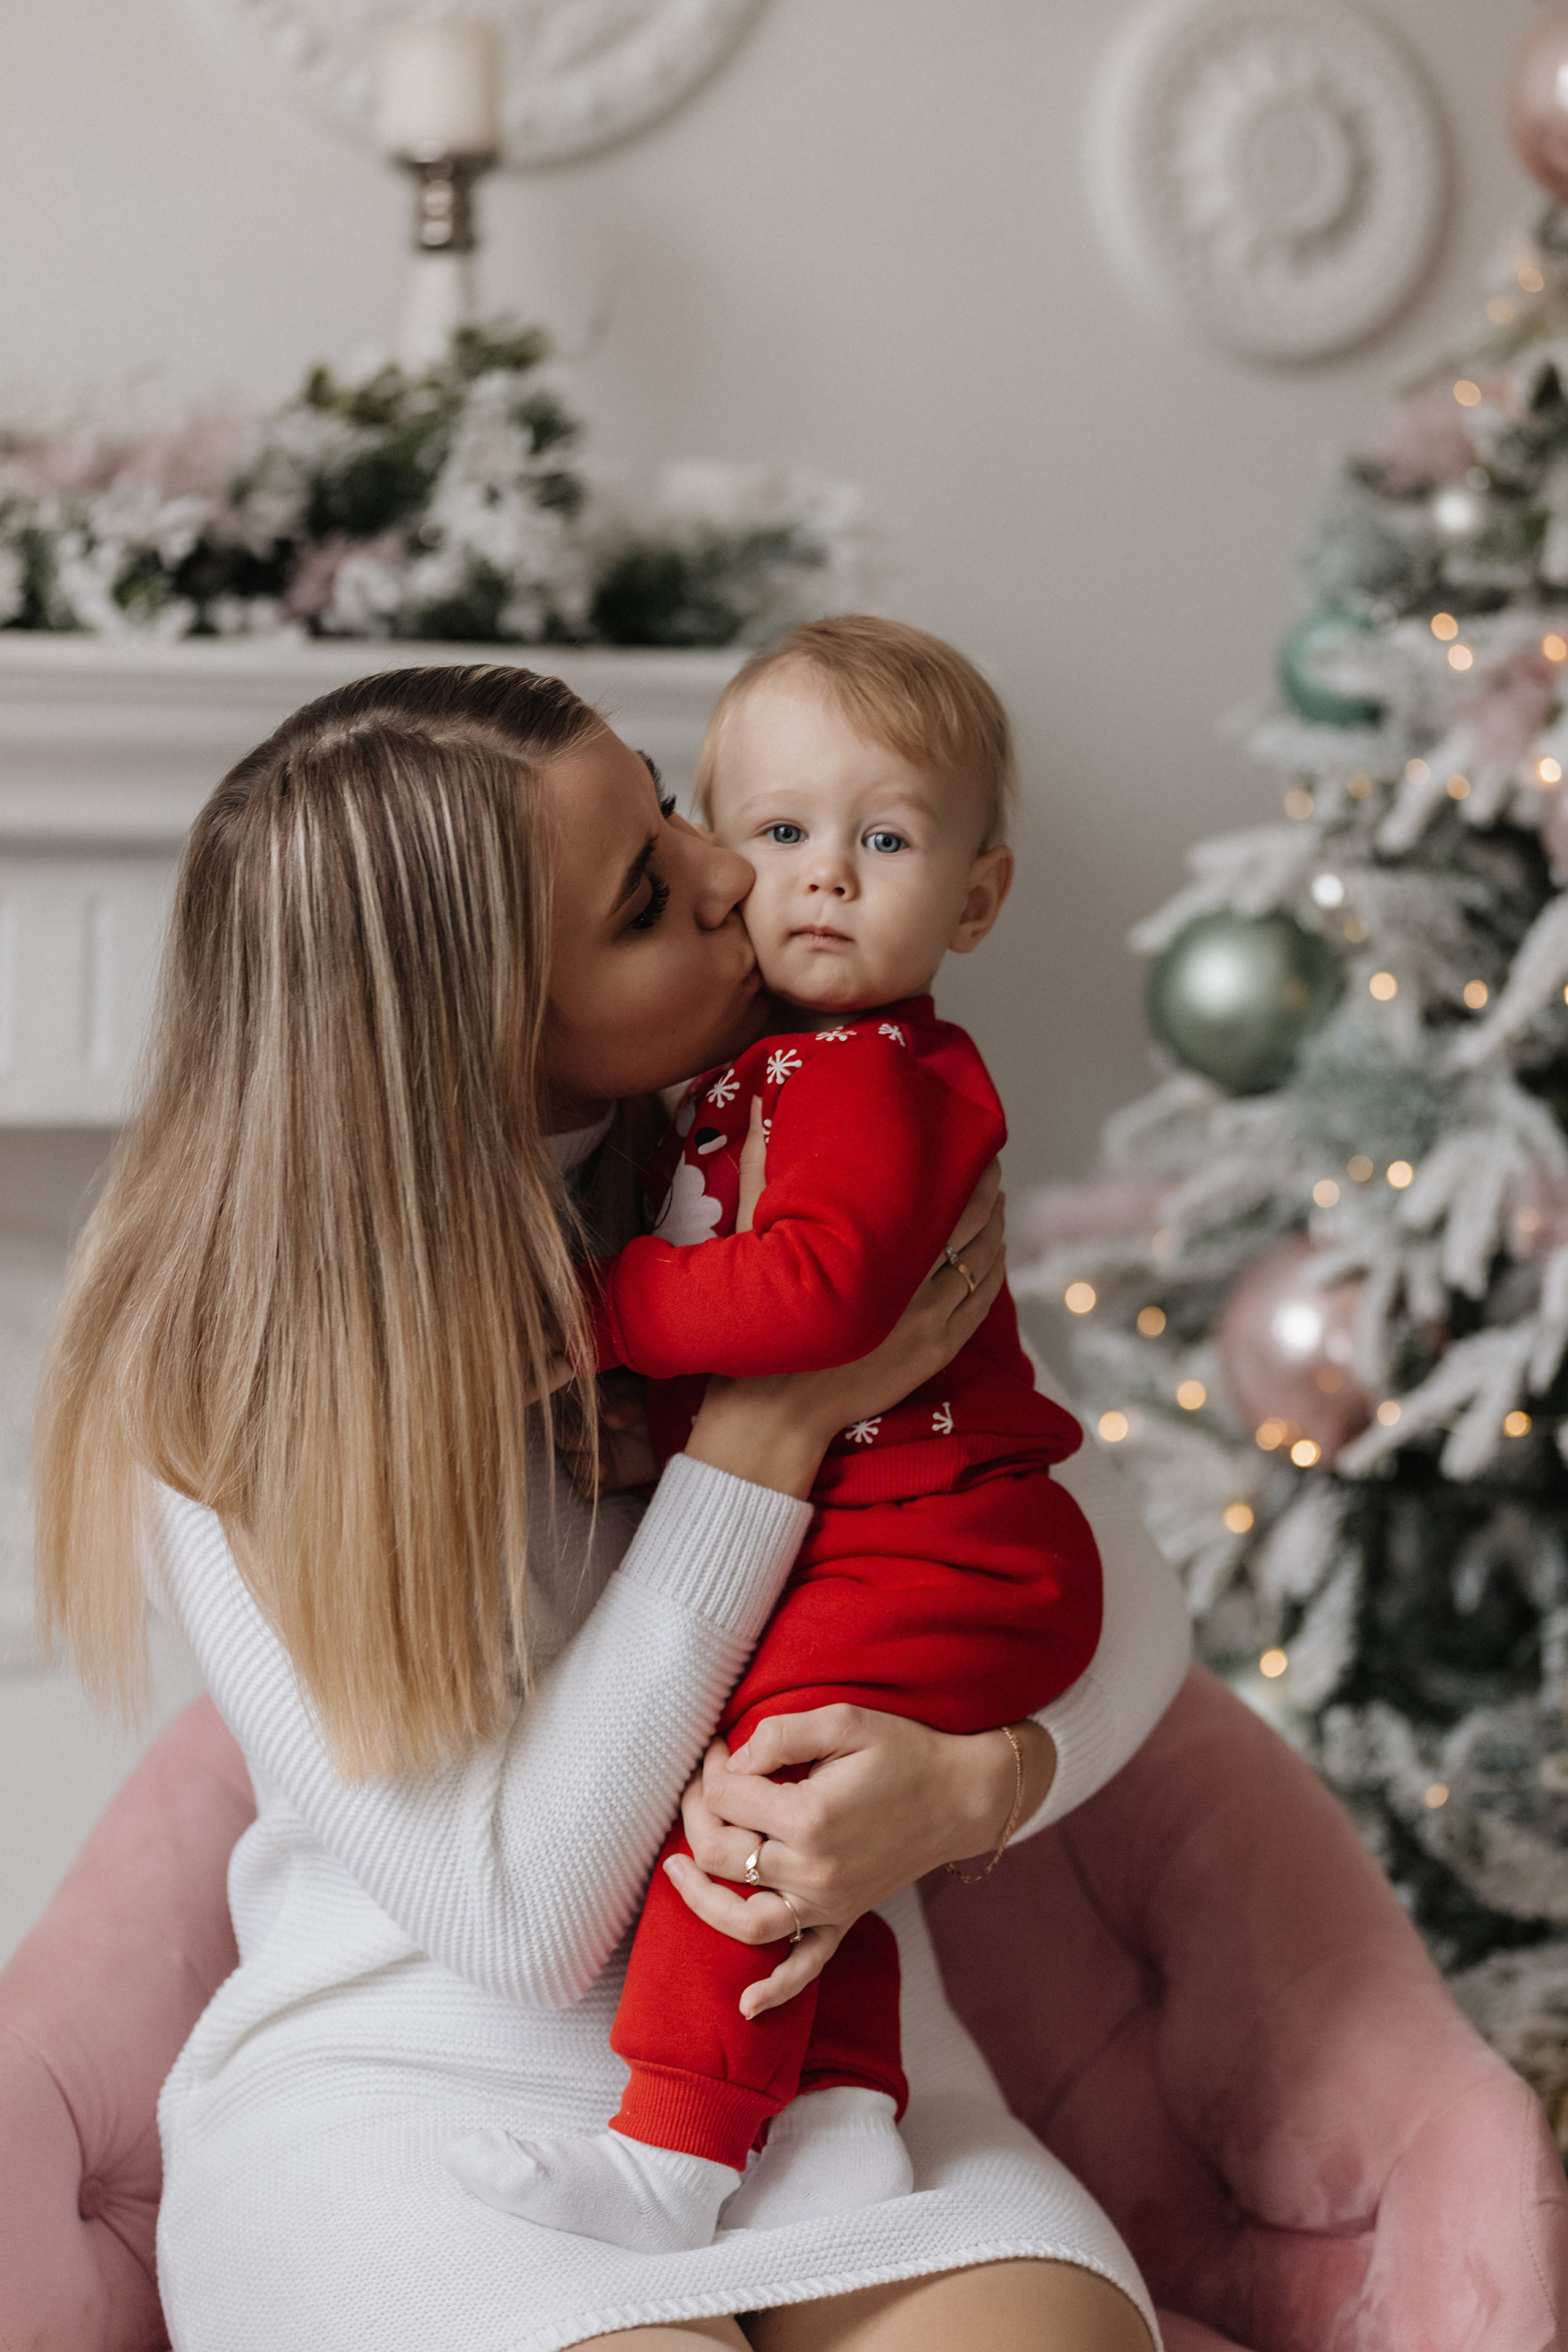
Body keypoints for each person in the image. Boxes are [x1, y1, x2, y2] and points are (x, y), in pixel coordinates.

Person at [34, 663, 1186, 2352]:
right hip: (409, 2104)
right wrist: (764, 1437)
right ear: (482, 1032)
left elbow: (1120, 1569)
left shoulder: (791, 1134)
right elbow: (522, 1925)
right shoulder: (235, 1383)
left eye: (664, 804)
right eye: (649, 895)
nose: (734, 871)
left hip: (824, 2081)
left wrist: (981, 1782)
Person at [450, 619, 1105, 2257]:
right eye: (779, 831)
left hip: (938, 1535)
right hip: (903, 1525)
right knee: (812, 1829)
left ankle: (673, 2154)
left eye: (882, 843)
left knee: (744, 1809)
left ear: (973, 900)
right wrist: (650, 1427)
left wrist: (593, 1315)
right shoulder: (775, 1070)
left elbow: (812, 1297)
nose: (805, 881)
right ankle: (829, 2111)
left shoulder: (874, 1077)